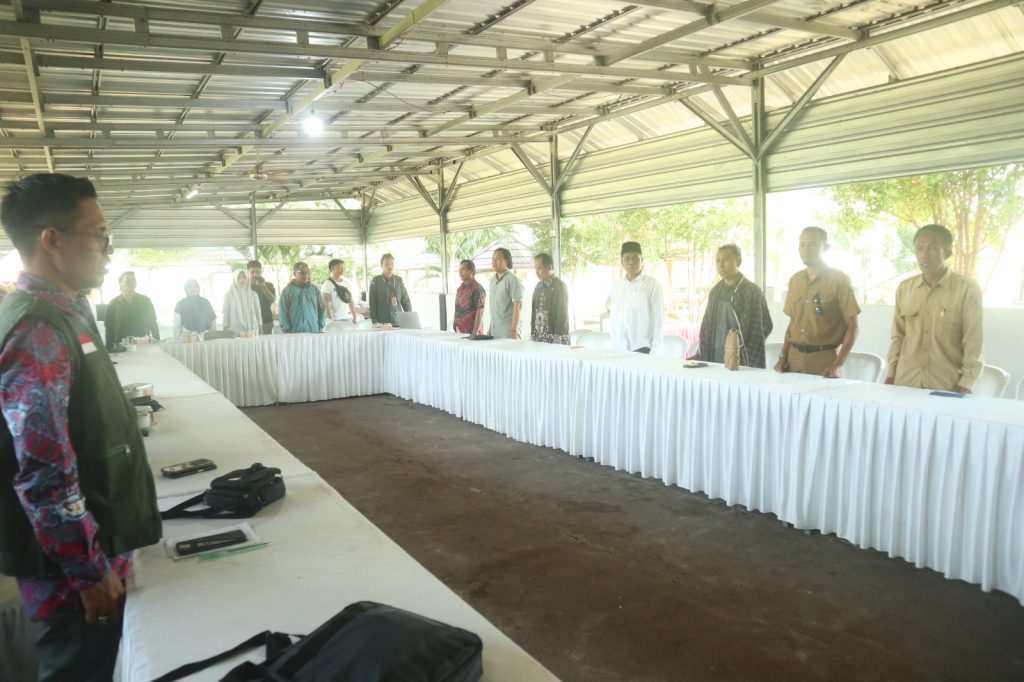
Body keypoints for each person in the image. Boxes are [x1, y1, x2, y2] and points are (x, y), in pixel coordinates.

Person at [0, 174, 161, 681]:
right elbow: (43, 472)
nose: (108, 251)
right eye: (99, 235)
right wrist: (88, 571)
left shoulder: (64, 311)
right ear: (52, 239)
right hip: (71, 576)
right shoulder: (37, 330)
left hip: (89, 552)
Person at [886, 224, 983, 392]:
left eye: (933, 248)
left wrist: (966, 383)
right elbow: (898, 336)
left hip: (946, 385)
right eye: (920, 248)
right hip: (905, 382)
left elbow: (973, 340)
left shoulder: (967, 289)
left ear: (947, 253)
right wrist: (891, 373)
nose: (924, 254)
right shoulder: (905, 288)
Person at [775, 227, 860, 377]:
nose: (806, 250)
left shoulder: (838, 280)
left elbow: (853, 326)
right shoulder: (795, 280)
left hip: (824, 361)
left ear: (825, 248)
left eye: (813, 245)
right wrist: (783, 356)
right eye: (802, 244)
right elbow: (793, 323)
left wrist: (838, 364)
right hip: (793, 360)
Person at [694, 244, 773, 367]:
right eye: (718, 261)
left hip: (744, 358)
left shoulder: (752, 292)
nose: (720, 265)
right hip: (715, 356)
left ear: (738, 261)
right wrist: (702, 350)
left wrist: (742, 346)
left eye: (725, 260)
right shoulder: (715, 291)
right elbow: (706, 325)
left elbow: (765, 326)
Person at [610, 241, 664, 354]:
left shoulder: (652, 285)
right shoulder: (617, 286)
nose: (631, 262)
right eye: (627, 258)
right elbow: (614, 317)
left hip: (644, 348)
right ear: (622, 262)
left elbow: (659, 319)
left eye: (635, 258)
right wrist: (614, 343)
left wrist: (655, 350)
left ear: (642, 261)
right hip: (619, 349)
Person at [103, 271, 159, 349]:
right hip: (122, 347)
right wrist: (109, 346)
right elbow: (109, 327)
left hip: (143, 345)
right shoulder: (113, 304)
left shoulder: (145, 301)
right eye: (128, 281)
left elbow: (152, 322)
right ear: (120, 284)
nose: (132, 283)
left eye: (134, 280)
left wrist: (157, 340)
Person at [531, 253, 570, 345]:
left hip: (556, 339)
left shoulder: (560, 286)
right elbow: (534, 312)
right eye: (535, 269)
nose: (537, 272)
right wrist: (532, 333)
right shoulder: (538, 286)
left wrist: (558, 337)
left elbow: (562, 314)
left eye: (539, 269)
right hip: (538, 338)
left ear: (549, 268)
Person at [279, 262, 325, 333]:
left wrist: (320, 326)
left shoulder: (314, 290)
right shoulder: (287, 291)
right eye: (301, 273)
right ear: (294, 274)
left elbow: (322, 308)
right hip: (294, 332)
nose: (305, 275)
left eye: (307, 272)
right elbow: (283, 312)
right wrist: (287, 330)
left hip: (313, 331)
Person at [488, 247, 524, 339]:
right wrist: (490, 328)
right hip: (495, 332)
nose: (494, 262)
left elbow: (518, 306)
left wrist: (514, 330)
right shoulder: (492, 280)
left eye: (497, 259)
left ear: (507, 261)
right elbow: (494, 308)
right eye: (493, 259)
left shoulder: (513, 279)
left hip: (508, 332)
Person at [368, 253, 411, 326]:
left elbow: (406, 301)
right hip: (382, 322)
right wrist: (375, 321)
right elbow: (372, 304)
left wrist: (409, 318)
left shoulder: (399, 281)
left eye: (392, 264)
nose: (390, 266)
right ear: (381, 266)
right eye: (386, 264)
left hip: (397, 321)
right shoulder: (375, 281)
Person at [222, 269, 262, 336]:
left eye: (244, 277)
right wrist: (225, 331)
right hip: (235, 331)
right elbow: (226, 314)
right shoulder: (229, 295)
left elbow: (258, 313)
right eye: (239, 278)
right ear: (234, 279)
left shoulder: (253, 294)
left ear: (247, 279)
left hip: (252, 330)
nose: (242, 280)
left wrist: (260, 328)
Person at [321, 258, 359, 326]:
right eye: (339, 266)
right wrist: (330, 319)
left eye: (342, 266)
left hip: (347, 318)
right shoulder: (327, 284)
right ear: (332, 268)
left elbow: (350, 300)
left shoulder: (346, 283)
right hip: (335, 319)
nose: (342, 268)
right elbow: (327, 304)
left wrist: (354, 316)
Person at [453, 259, 485, 334]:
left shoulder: (477, 289)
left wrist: (475, 333)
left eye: (463, 269)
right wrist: (455, 327)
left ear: (472, 271)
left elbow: (480, 312)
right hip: (459, 330)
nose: (460, 272)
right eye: (459, 270)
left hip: (472, 333)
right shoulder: (460, 289)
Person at [247, 260, 276, 335]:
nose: (255, 275)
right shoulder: (245, 287)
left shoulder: (268, 285)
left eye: (258, 272)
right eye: (252, 272)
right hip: (249, 322)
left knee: (267, 342)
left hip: (266, 321)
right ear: (247, 272)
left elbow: (272, 300)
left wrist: (263, 287)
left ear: (261, 272)